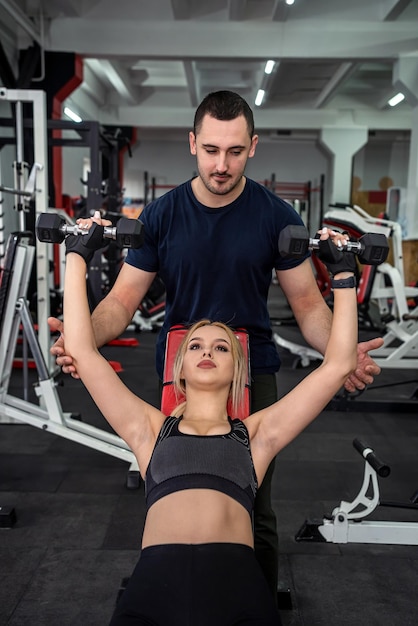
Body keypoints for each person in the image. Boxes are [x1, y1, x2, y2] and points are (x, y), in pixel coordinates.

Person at [49, 90, 383, 597]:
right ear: (192, 144)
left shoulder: (276, 217)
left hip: (253, 364)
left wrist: (341, 354)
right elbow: (120, 304)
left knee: (255, 502)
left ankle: (256, 600)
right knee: (167, 486)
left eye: (233, 151)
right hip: (181, 365)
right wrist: (82, 340)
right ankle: (166, 590)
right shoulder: (162, 215)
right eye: (210, 150)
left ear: (253, 147)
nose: (221, 164)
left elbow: (310, 308)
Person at [63, 214, 359, 625]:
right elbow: (82, 350)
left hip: (234, 582)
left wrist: (343, 275)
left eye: (222, 348)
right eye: (196, 344)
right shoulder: (148, 429)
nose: (207, 351)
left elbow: (339, 364)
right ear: (179, 367)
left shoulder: (256, 436)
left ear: (237, 369)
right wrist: (77, 253)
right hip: (155, 582)